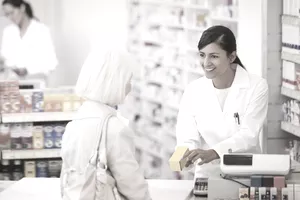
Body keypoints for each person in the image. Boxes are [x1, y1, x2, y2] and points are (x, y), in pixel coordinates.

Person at [175, 25, 268, 178]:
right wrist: (186, 154)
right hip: (208, 174)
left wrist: (214, 152)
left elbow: (249, 135)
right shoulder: (193, 90)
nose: (206, 63)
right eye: (202, 55)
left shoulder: (256, 86)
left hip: (244, 174)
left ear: (231, 57)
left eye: (214, 56)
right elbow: (186, 136)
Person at [60, 46, 152, 200]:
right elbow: (132, 186)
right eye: (128, 80)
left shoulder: (75, 122)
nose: (130, 87)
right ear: (115, 82)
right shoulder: (114, 128)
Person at [0, 0, 57, 78]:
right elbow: (5, 59)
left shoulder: (41, 30)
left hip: (35, 82)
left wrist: (28, 70)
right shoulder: (8, 32)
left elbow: (51, 63)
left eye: (12, 13)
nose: (10, 17)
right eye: (7, 15)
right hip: (13, 84)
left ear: (22, 8)